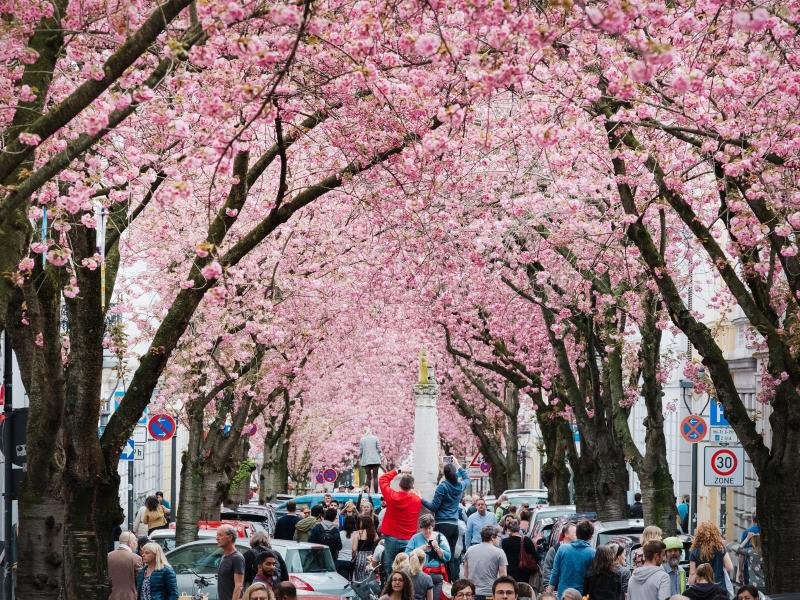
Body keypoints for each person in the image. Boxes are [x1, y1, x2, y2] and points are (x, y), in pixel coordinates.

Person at [421, 458, 469, 579]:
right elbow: (468, 479)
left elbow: (434, 507)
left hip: (442, 525)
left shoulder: (442, 487)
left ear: (444, 474)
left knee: (441, 556)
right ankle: (452, 585)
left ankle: (444, 584)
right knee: (451, 558)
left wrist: (420, 499)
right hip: (454, 526)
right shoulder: (460, 486)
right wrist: (458, 464)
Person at [379, 466, 423, 580]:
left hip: (391, 537)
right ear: (412, 486)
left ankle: (391, 586)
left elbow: (382, 479)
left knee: (389, 565)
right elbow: (418, 498)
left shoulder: (392, 496)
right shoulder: (417, 500)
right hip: (408, 538)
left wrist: (398, 470)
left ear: (400, 485)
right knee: (407, 567)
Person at [405, 514, 452, 600]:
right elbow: (406, 555)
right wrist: (421, 549)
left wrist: (437, 548)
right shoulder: (415, 538)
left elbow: (448, 557)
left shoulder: (440, 537)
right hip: (419, 574)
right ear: (420, 528)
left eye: (429, 528)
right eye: (425, 529)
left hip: (436, 574)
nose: (427, 531)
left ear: (433, 527)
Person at [548, 520, 595, 598]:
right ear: (591, 536)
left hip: (563, 595)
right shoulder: (592, 553)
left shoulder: (562, 549)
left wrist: (549, 594)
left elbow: (555, 573)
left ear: (577, 533)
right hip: (581, 596)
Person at [462, 525, 508, 600]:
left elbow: (466, 574)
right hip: (490, 594)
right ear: (492, 537)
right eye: (498, 537)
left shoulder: (470, 550)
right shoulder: (499, 552)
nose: (500, 539)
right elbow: (503, 576)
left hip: (472, 593)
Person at [688, 522, 733, 592]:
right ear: (715, 534)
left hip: (701, 590)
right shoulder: (720, 548)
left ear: (698, 535)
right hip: (719, 588)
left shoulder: (695, 551)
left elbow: (692, 574)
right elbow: (729, 567)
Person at [500, 519, 537, 584]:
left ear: (508, 530)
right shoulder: (526, 540)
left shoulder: (505, 542)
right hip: (524, 571)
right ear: (519, 529)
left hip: (510, 572)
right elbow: (536, 556)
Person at [108, 531, 143, 600]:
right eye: (135, 541)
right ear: (130, 543)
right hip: (129, 597)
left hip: (110, 596)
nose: (136, 544)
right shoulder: (136, 558)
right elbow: (140, 581)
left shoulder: (108, 556)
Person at [216, 524, 245, 600]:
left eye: (220, 535)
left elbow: (239, 585)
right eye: (217, 535)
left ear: (230, 537)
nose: (217, 538)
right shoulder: (224, 556)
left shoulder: (237, 558)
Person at [353, 514, 380, 581]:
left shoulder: (358, 533)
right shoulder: (374, 534)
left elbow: (354, 549)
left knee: (359, 577)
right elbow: (378, 545)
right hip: (371, 558)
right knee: (370, 577)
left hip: (360, 557)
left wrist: (353, 557)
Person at [738, 514, 760, 585]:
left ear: (752, 520)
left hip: (749, 568)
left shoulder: (748, 532)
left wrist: (740, 571)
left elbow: (741, 553)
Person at [360, 428, 383, 494]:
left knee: (368, 477)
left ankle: (367, 492)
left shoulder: (362, 439)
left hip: (366, 460)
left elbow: (360, 451)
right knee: (375, 476)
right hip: (375, 460)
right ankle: (376, 492)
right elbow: (379, 449)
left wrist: (360, 457)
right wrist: (380, 455)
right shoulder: (375, 438)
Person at [338, 515, 358, 579]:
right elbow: (355, 549)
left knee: (343, 581)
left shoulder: (340, 533)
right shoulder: (356, 534)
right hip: (352, 560)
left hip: (341, 559)